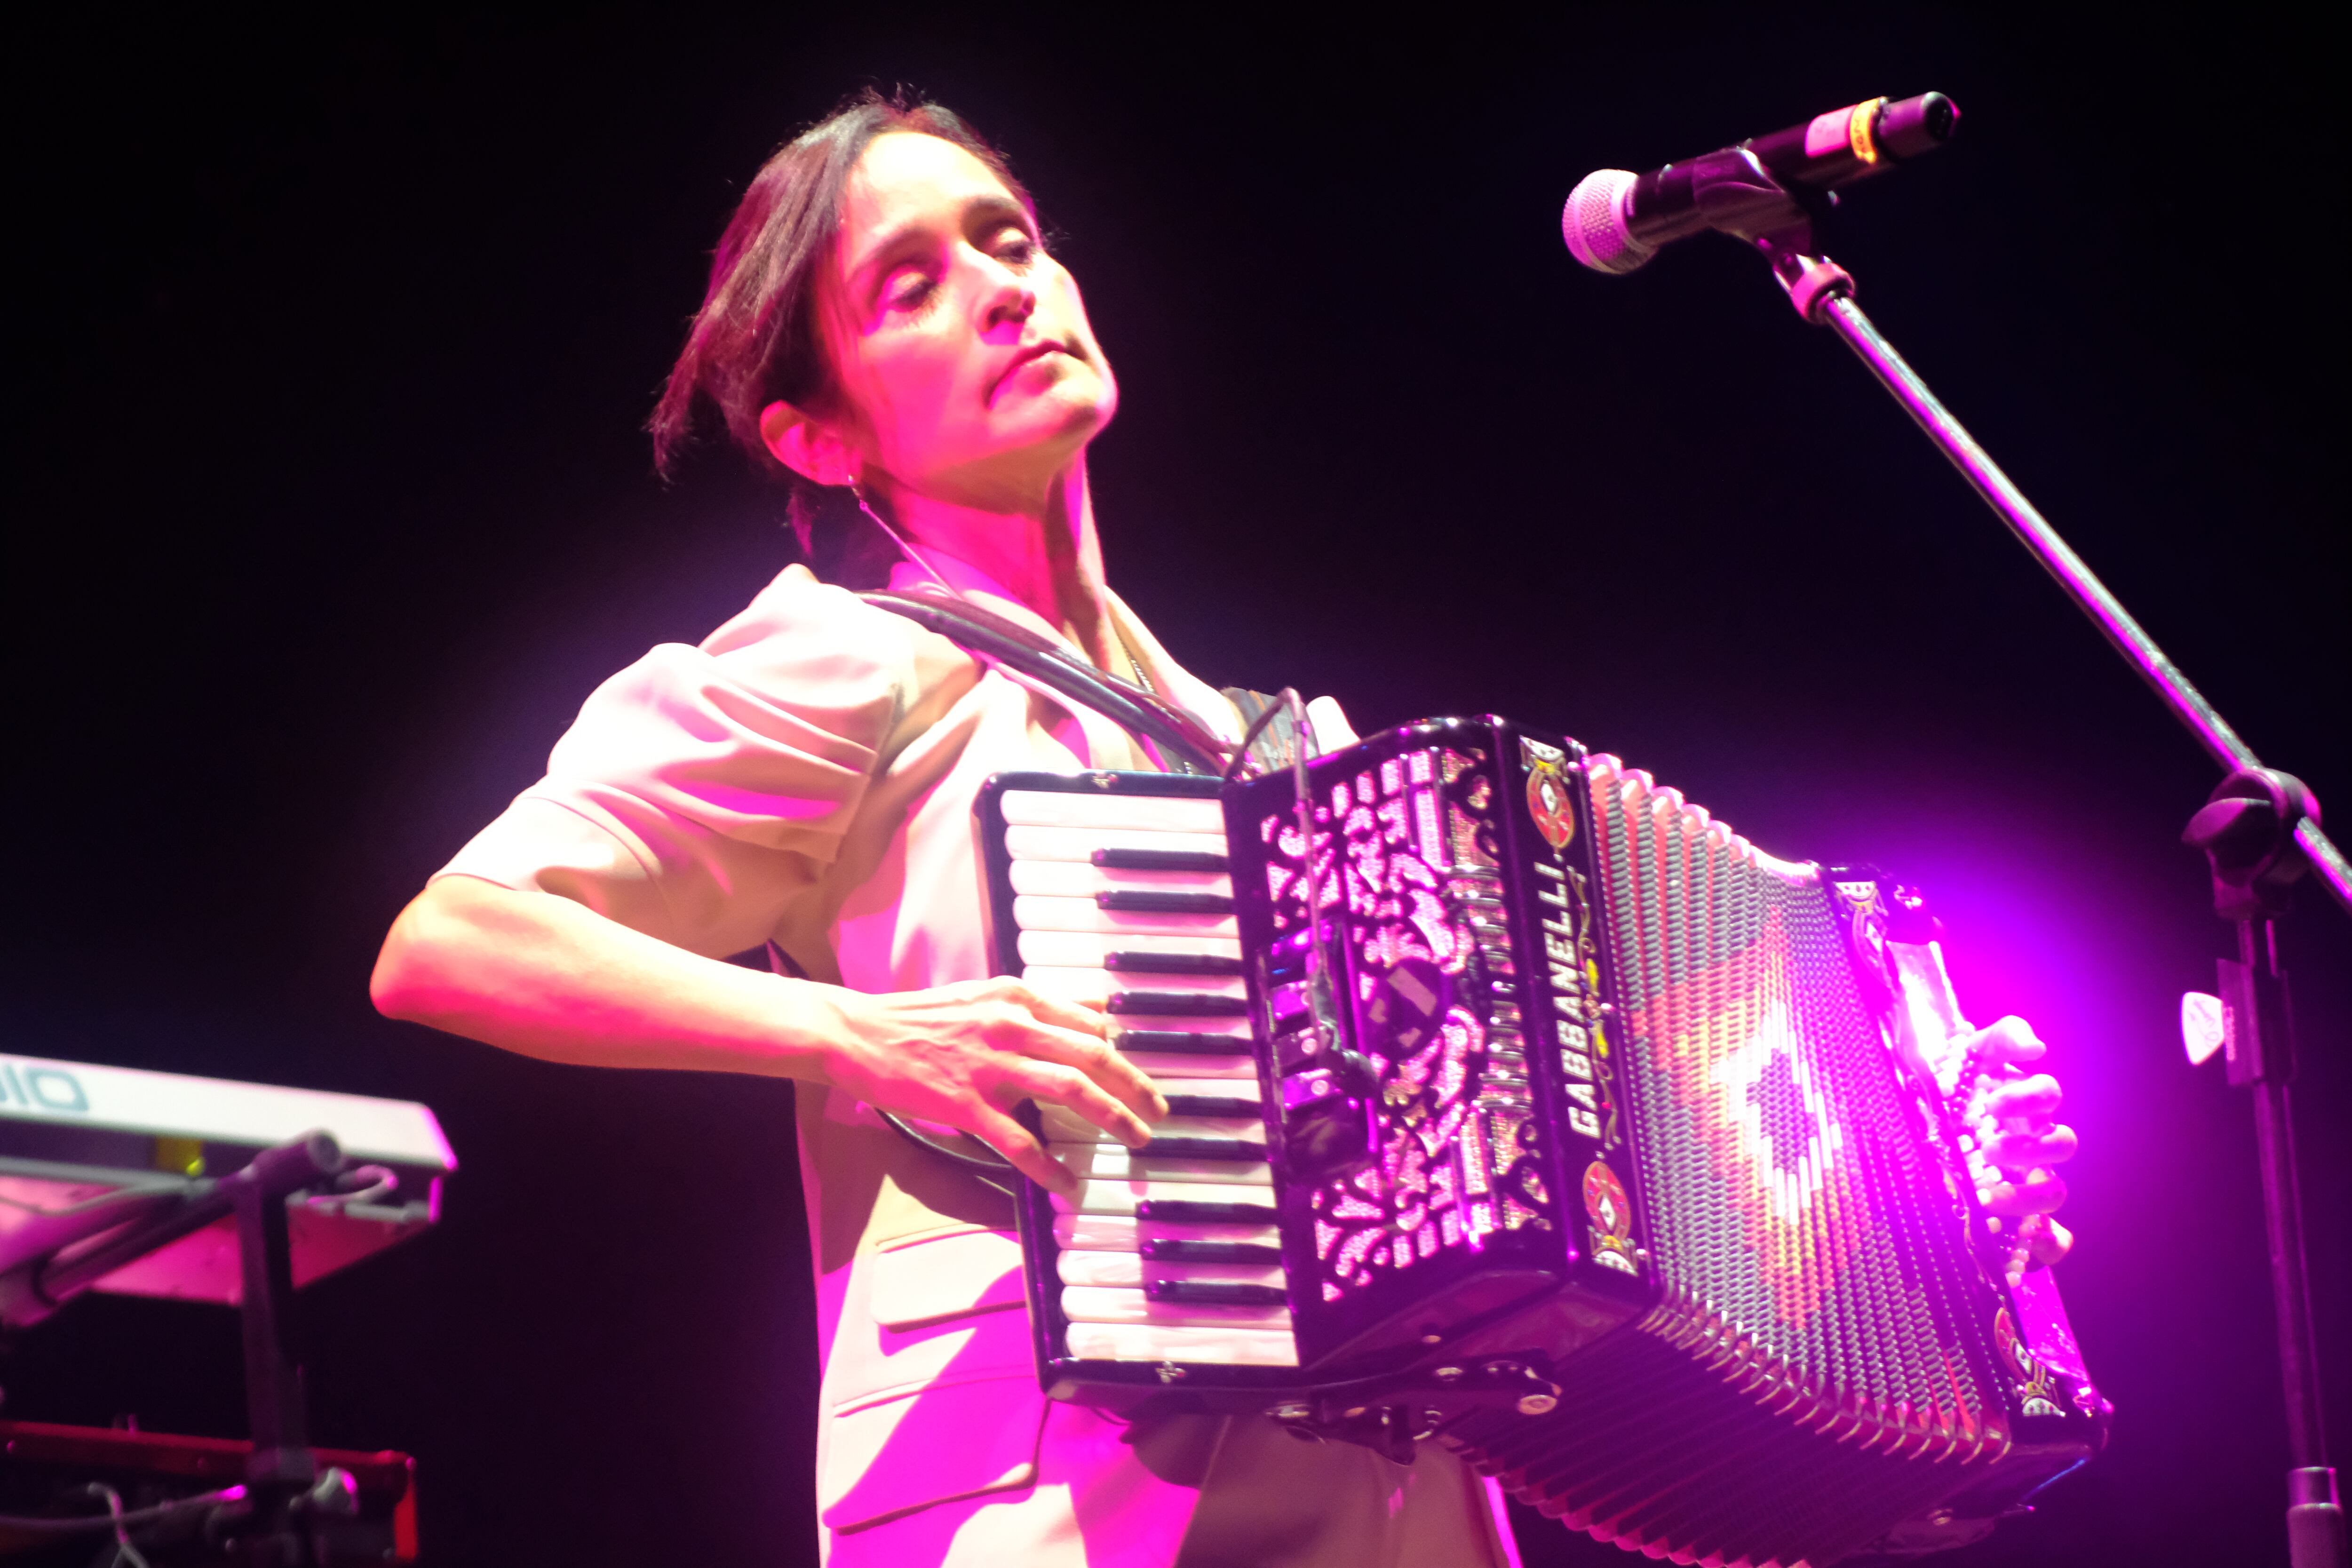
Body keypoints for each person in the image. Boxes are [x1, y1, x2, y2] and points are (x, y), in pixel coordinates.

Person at [370, 91, 2078, 1568]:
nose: (1004, 288)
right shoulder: (845, 657)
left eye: (1011, 241)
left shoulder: (1289, 752)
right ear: (819, 439)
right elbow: (454, 941)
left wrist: (1913, 1184)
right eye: (913, 285)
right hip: (1044, 1498)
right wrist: (862, 1035)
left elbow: (1588, 1163)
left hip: (1391, 1517)